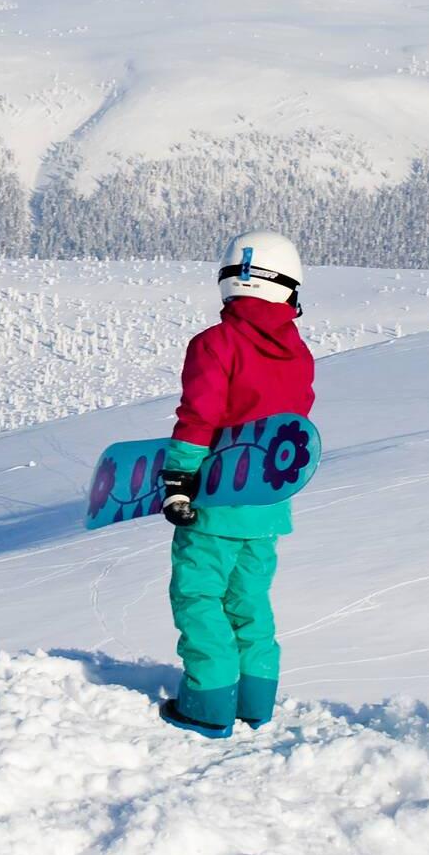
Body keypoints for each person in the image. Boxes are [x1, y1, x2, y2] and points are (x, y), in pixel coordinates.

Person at [157, 230, 316, 738]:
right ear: (288, 287)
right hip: (267, 506)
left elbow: (199, 416)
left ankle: (207, 704)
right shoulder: (299, 354)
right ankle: (255, 701)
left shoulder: (214, 344)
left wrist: (179, 479)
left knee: (199, 597)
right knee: (249, 602)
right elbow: (292, 426)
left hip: (212, 503)